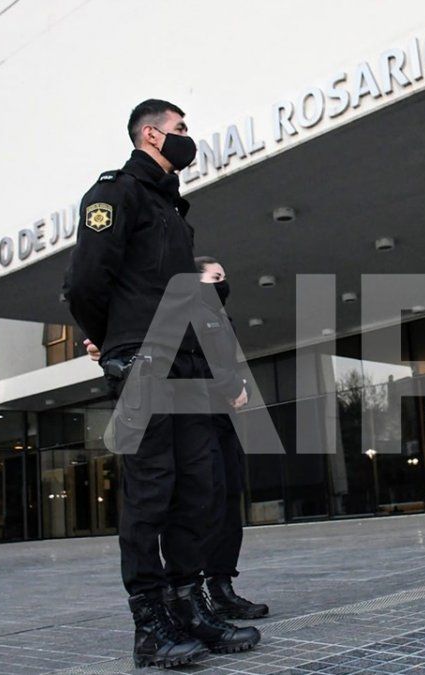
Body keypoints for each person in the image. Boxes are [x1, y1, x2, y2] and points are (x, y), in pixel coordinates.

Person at [64, 99, 259, 668]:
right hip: (145, 362)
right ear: (151, 135)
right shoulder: (114, 194)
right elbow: (84, 282)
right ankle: (150, 625)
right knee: (152, 493)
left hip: (188, 364)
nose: (187, 137)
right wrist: (116, 344)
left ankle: (189, 604)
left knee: (196, 490)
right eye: (180, 129)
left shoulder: (173, 211)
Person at [193, 257, 269, 620]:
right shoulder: (188, 311)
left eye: (225, 276)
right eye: (216, 277)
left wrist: (240, 390)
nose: (224, 283)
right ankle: (193, 593)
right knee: (205, 502)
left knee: (229, 499)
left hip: (223, 420)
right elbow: (195, 361)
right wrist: (229, 385)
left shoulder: (222, 318)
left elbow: (229, 365)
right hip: (195, 419)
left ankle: (222, 588)